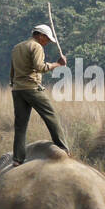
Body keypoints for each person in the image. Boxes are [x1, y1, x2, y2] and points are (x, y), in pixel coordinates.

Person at [9, 24, 69, 163]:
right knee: (51, 115)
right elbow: (40, 67)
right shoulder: (36, 46)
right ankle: (63, 148)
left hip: (17, 90)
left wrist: (14, 83)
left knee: (20, 125)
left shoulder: (17, 47)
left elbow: (12, 70)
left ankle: (18, 158)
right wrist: (57, 64)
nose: (47, 42)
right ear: (40, 35)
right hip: (32, 88)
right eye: (47, 39)